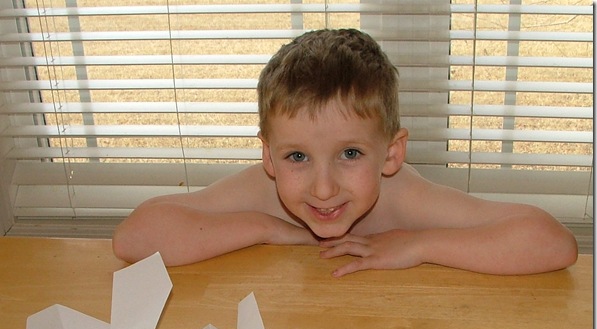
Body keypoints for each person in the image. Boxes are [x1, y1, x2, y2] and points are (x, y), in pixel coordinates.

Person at [112, 28, 578, 277]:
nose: (323, 188)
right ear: (269, 157)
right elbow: (135, 236)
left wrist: (418, 245)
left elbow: (551, 242)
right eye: (297, 157)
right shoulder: (266, 191)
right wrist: (271, 229)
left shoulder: (400, 195)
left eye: (350, 154)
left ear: (390, 154)